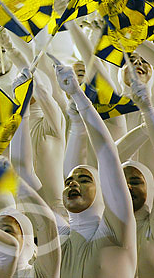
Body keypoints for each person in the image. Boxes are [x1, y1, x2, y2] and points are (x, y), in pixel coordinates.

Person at [55, 64, 137, 278]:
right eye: (68, 182)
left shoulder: (117, 230)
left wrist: (79, 97)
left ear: (103, 189)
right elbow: (24, 176)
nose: (72, 183)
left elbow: (107, 155)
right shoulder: (59, 239)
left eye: (84, 179)